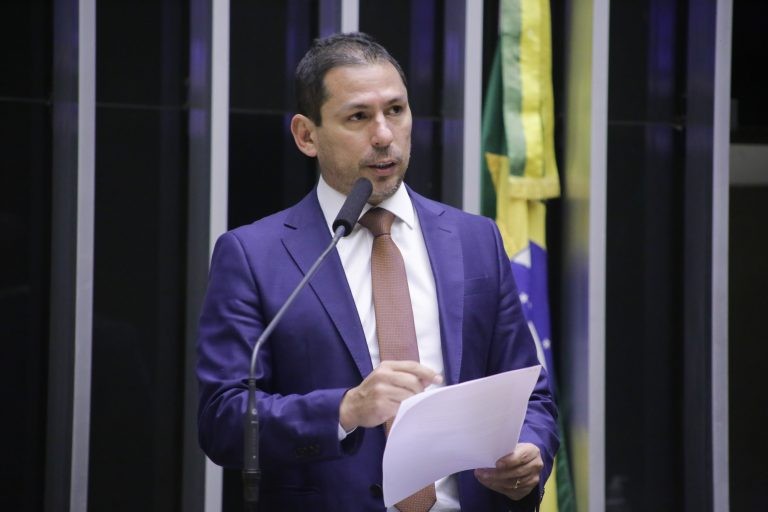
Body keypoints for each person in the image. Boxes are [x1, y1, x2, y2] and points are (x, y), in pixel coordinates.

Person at [197, 32, 558, 511]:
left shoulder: (475, 240)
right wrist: (346, 409)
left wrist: (530, 451)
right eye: (358, 117)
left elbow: (531, 395)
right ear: (306, 135)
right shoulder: (253, 255)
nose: (384, 135)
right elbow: (224, 421)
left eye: (396, 110)